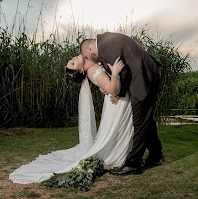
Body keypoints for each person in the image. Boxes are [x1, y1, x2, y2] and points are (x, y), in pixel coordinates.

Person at [9, 54, 134, 184]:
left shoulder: (91, 66)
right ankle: (118, 157)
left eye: (71, 61)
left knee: (118, 129)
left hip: (115, 101)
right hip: (117, 103)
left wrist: (107, 88)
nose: (72, 59)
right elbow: (112, 88)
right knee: (117, 128)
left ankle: (121, 154)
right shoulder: (92, 71)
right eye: (72, 64)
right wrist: (114, 76)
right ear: (81, 71)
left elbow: (106, 84)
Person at [80, 32, 164, 175]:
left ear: (88, 49)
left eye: (86, 56)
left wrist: (118, 93)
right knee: (146, 119)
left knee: (139, 122)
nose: (88, 59)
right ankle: (156, 155)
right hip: (147, 74)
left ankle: (133, 164)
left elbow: (122, 70)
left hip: (142, 78)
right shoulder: (106, 41)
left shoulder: (105, 46)